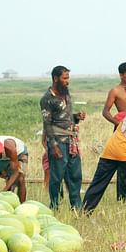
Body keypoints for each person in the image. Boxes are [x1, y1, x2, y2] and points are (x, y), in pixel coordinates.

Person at [40, 65, 86, 210]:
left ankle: (76, 207)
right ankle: (54, 206)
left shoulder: (66, 94)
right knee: (56, 176)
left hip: (71, 140)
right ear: (55, 78)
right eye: (65, 78)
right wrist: (53, 146)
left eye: (68, 78)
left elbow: (64, 118)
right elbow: (47, 124)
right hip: (58, 141)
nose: (68, 81)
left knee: (75, 175)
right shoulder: (47, 99)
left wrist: (76, 118)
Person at [102, 62, 126, 204]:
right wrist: (116, 122)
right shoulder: (115, 91)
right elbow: (105, 111)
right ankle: (123, 199)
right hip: (121, 131)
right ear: (121, 75)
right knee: (122, 166)